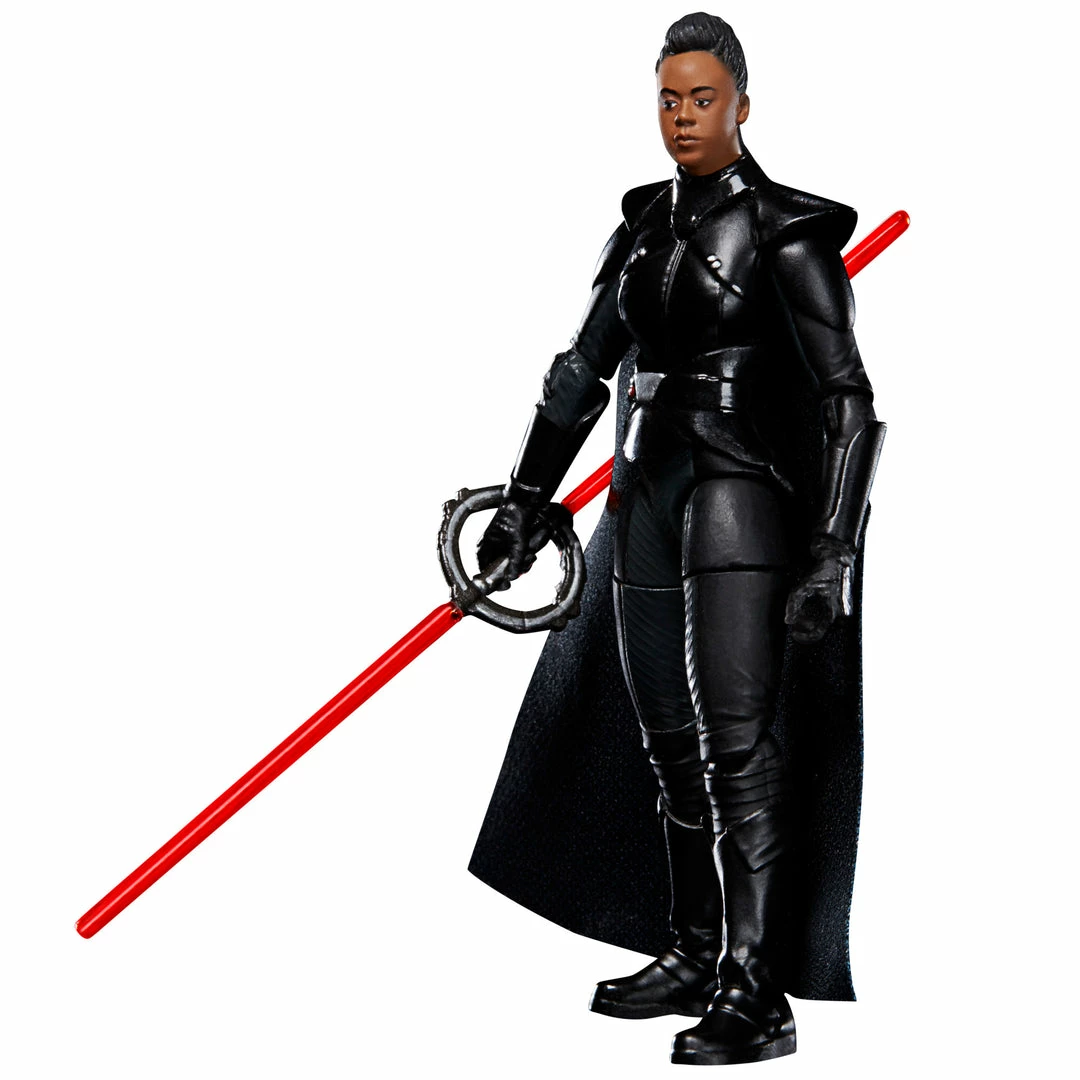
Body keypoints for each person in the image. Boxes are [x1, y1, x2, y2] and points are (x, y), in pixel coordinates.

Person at [474, 12, 884, 1066]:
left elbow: (847, 400)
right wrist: (525, 497)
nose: (684, 117)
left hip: (739, 492)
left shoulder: (786, 233)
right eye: (669, 99)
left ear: (743, 105)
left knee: (736, 744)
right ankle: (697, 950)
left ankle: (756, 989)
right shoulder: (642, 229)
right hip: (647, 489)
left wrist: (833, 549)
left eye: (703, 99)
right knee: (664, 736)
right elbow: (581, 370)